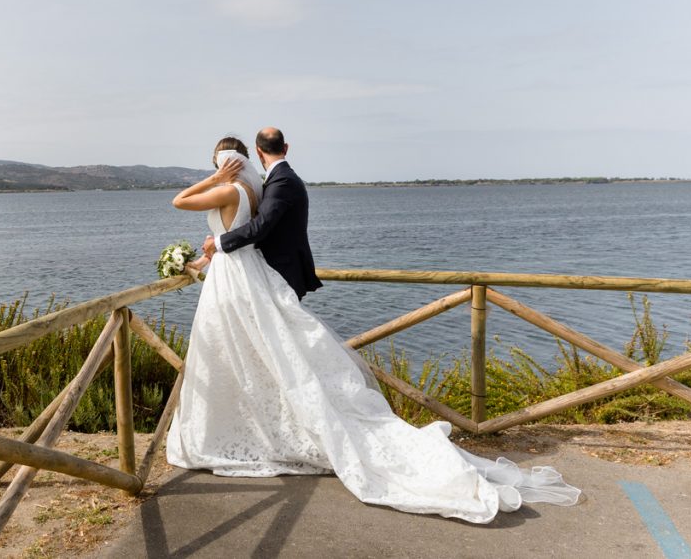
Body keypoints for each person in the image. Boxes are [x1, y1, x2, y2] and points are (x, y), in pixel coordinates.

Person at [165, 132, 580, 524]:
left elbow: (183, 202)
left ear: (243, 157)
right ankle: (256, 425)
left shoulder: (241, 187)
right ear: (258, 153)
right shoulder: (259, 188)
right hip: (242, 277)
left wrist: (215, 205)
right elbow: (247, 233)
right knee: (253, 356)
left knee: (235, 356)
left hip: (236, 281)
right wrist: (206, 258)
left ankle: (243, 432)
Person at [202, 127, 321, 300]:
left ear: (258, 151)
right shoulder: (282, 178)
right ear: (286, 148)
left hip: (283, 272)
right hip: (273, 270)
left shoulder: (283, 181)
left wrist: (218, 242)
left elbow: (260, 226)